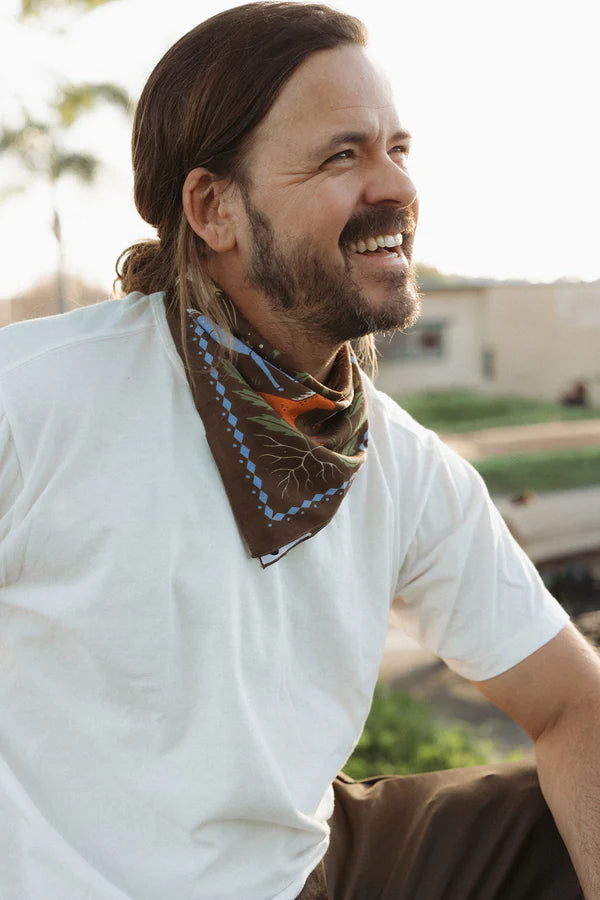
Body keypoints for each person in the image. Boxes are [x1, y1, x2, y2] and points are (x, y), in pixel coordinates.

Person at [0, 4, 598, 898]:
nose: (395, 186)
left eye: (398, 148)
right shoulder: (36, 398)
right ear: (215, 210)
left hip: (298, 873)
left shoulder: (399, 462)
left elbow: (571, 701)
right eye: (341, 156)